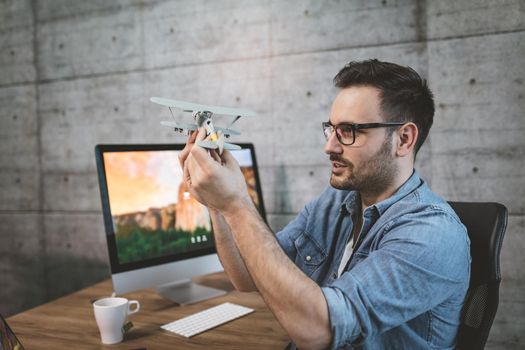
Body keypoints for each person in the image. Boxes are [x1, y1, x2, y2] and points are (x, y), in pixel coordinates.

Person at [180, 59, 471, 350]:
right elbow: (248, 276)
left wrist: (236, 204)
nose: (329, 146)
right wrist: (216, 202)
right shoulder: (335, 202)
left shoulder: (432, 233)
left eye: (349, 131)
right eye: (330, 129)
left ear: (404, 139)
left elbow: (318, 331)